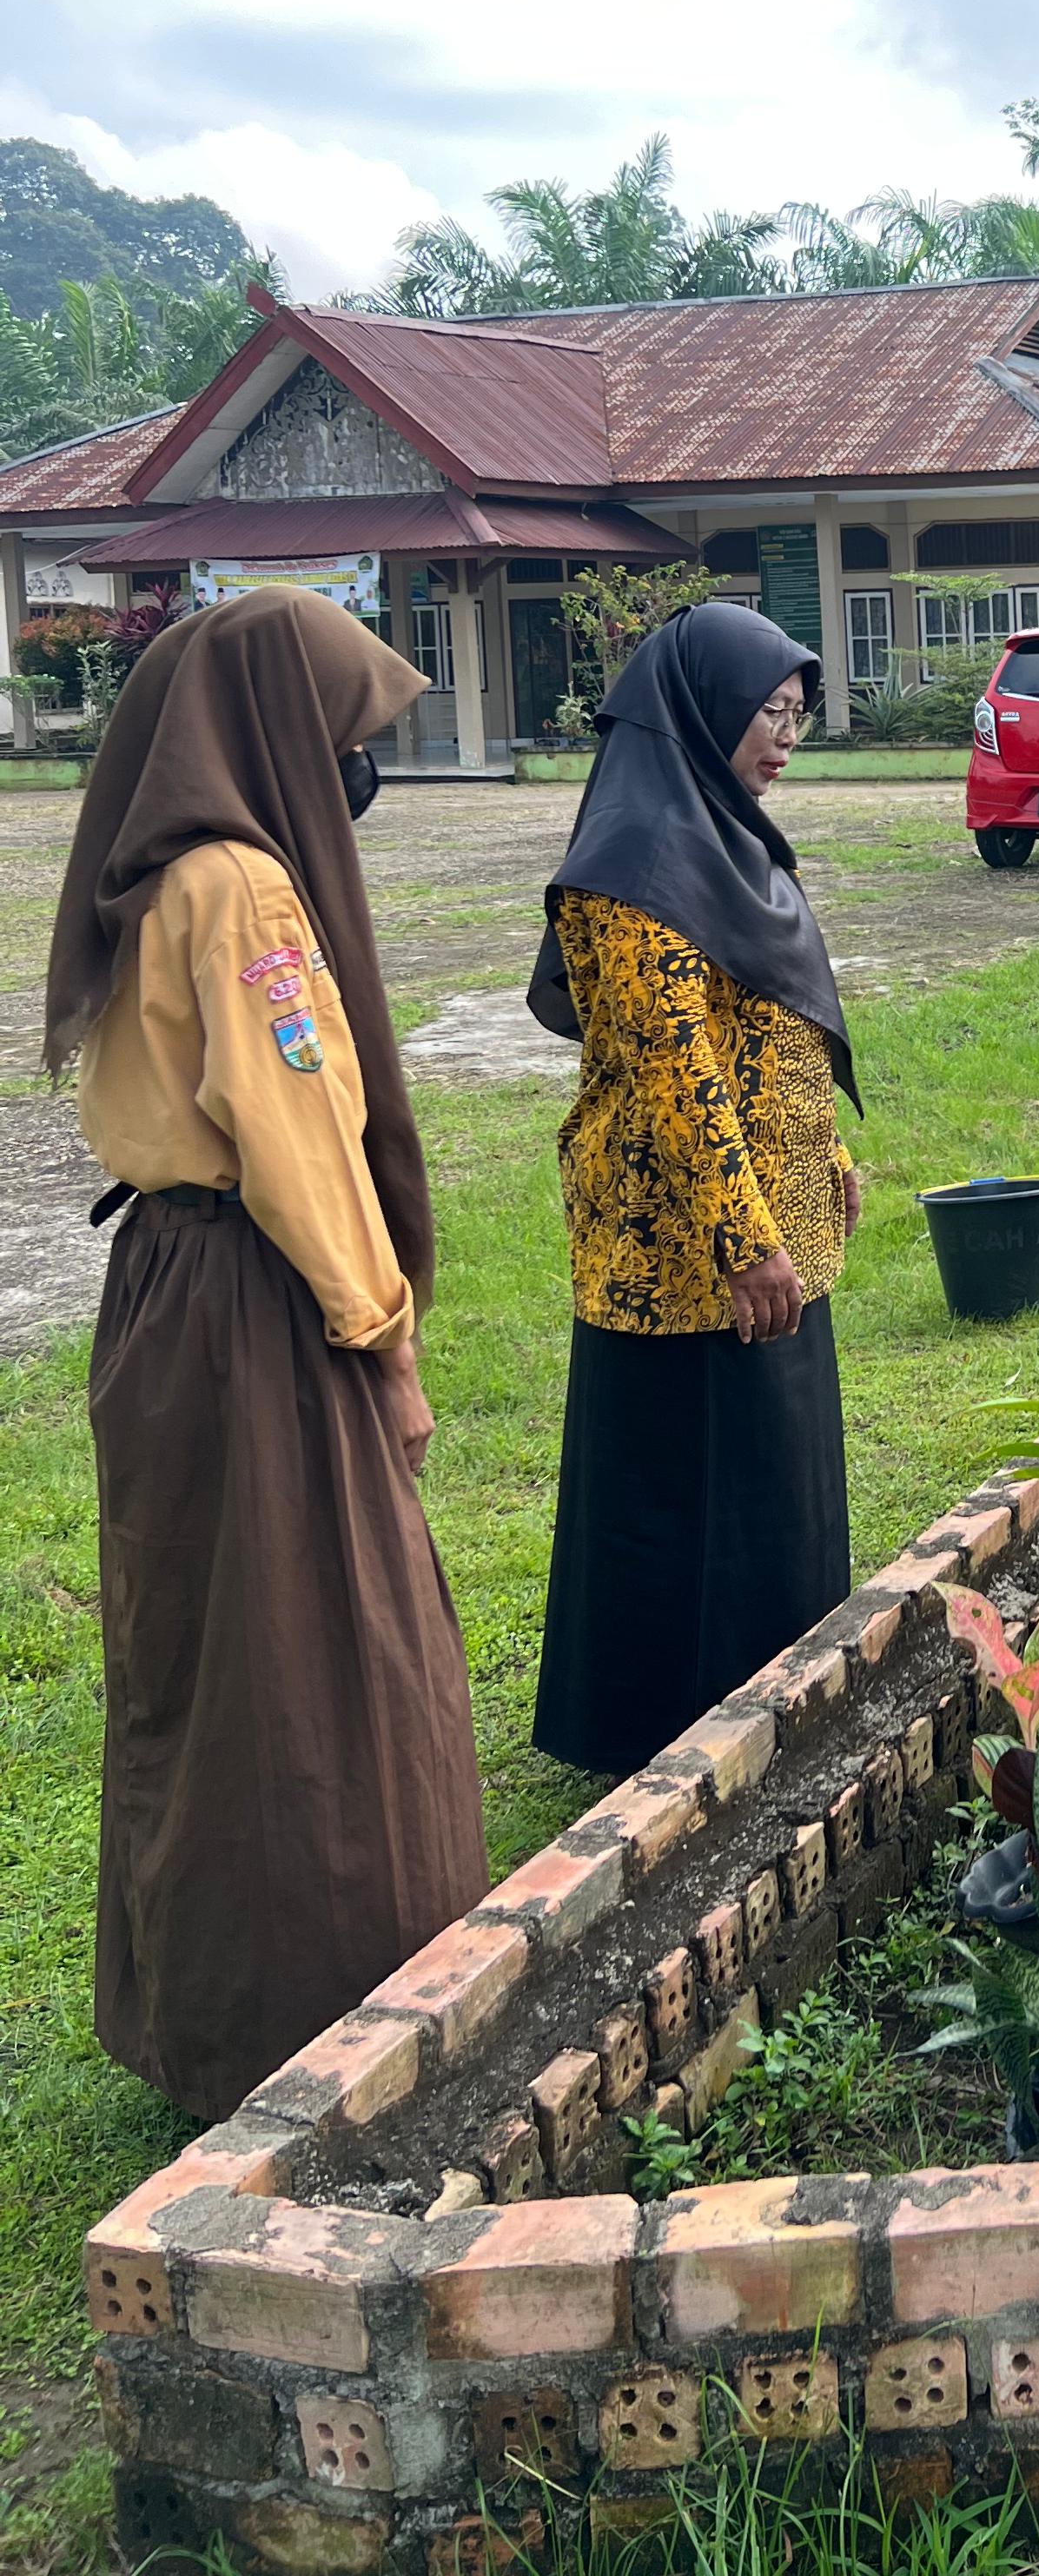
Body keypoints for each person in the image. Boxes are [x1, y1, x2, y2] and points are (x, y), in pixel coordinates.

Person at [44, 588, 484, 2118]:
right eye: (341, 734)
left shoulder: (152, 867)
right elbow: (298, 1145)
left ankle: (208, 1999)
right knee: (316, 1656)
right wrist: (387, 1340)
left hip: (166, 1292)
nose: (351, 767)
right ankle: (318, 2003)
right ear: (275, 734)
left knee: (202, 1654)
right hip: (255, 1304)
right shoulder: (237, 886)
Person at [528, 604, 864, 1778]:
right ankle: (659, 1730)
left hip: (770, 1224)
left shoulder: (732, 841)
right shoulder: (631, 870)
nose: (784, 740)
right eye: (768, 714)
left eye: (798, 719)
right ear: (702, 710)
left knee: (773, 1469)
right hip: (677, 1245)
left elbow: (774, 1029)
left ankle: (779, 1692)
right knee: (685, 1478)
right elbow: (679, 1070)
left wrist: (820, 1163)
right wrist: (742, 1235)